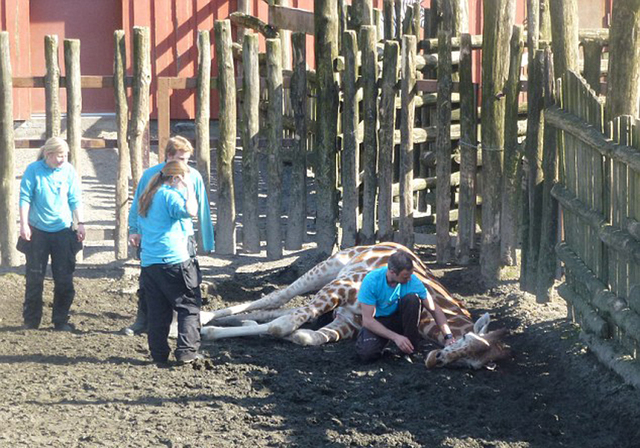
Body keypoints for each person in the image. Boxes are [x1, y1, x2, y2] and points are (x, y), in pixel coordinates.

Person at [123, 136, 214, 335]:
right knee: (149, 281)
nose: (184, 164)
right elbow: (139, 203)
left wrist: (207, 238)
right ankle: (143, 320)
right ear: (169, 156)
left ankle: (180, 324)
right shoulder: (151, 175)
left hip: (183, 238)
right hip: (153, 237)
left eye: (187, 159)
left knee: (186, 282)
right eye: (181, 159)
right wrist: (134, 229)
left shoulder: (193, 176)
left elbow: (201, 206)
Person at [136, 160, 203, 365]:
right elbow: (191, 211)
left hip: (149, 263)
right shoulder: (169, 195)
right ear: (176, 178)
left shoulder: (147, 196)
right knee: (189, 306)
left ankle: (158, 354)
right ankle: (186, 352)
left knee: (158, 312)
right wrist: (190, 189)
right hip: (174, 260)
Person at [19, 137, 86, 331]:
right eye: (59, 156)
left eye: (65, 156)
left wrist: (80, 223)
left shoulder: (68, 171)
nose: (62, 159)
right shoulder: (34, 170)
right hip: (38, 231)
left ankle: (61, 319)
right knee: (34, 278)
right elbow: (25, 197)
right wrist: (24, 224)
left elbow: (75, 198)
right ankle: (31, 321)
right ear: (48, 154)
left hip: (63, 231)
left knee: (64, 279)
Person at [356, 250, 456, 362]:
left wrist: (448, 336)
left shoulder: (412, 280)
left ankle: (411, 348)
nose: (408, 279)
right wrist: (395, 337)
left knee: (412, 299)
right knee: (367, 355)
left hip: (401, 319)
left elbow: (434, 309)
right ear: (392, 272)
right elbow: (368, 320)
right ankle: (391, 347)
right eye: (405, 276)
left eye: (410, 275)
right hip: (378, 321)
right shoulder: (371, 281)